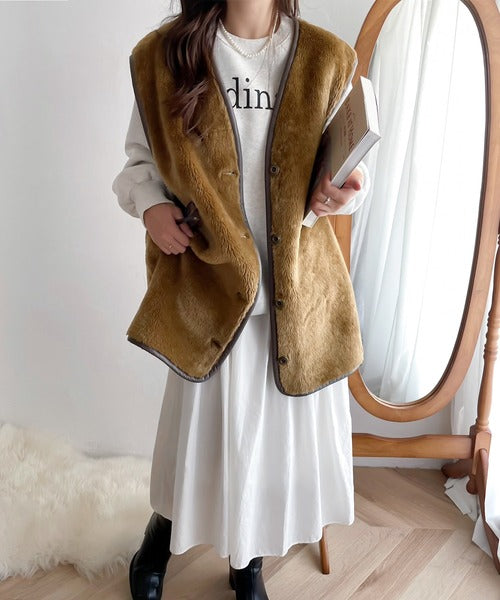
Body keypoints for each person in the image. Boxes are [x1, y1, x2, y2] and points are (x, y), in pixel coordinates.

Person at [112, 1, 371, 598]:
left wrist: (346, 191)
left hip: (292, 295)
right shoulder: (165, 58)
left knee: (265, 447)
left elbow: (353, 171)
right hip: (209, 289)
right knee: (193, 441)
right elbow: (138, 163)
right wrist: (151, 208)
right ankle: (160, 534)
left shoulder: (327, 59)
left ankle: (247, 559)